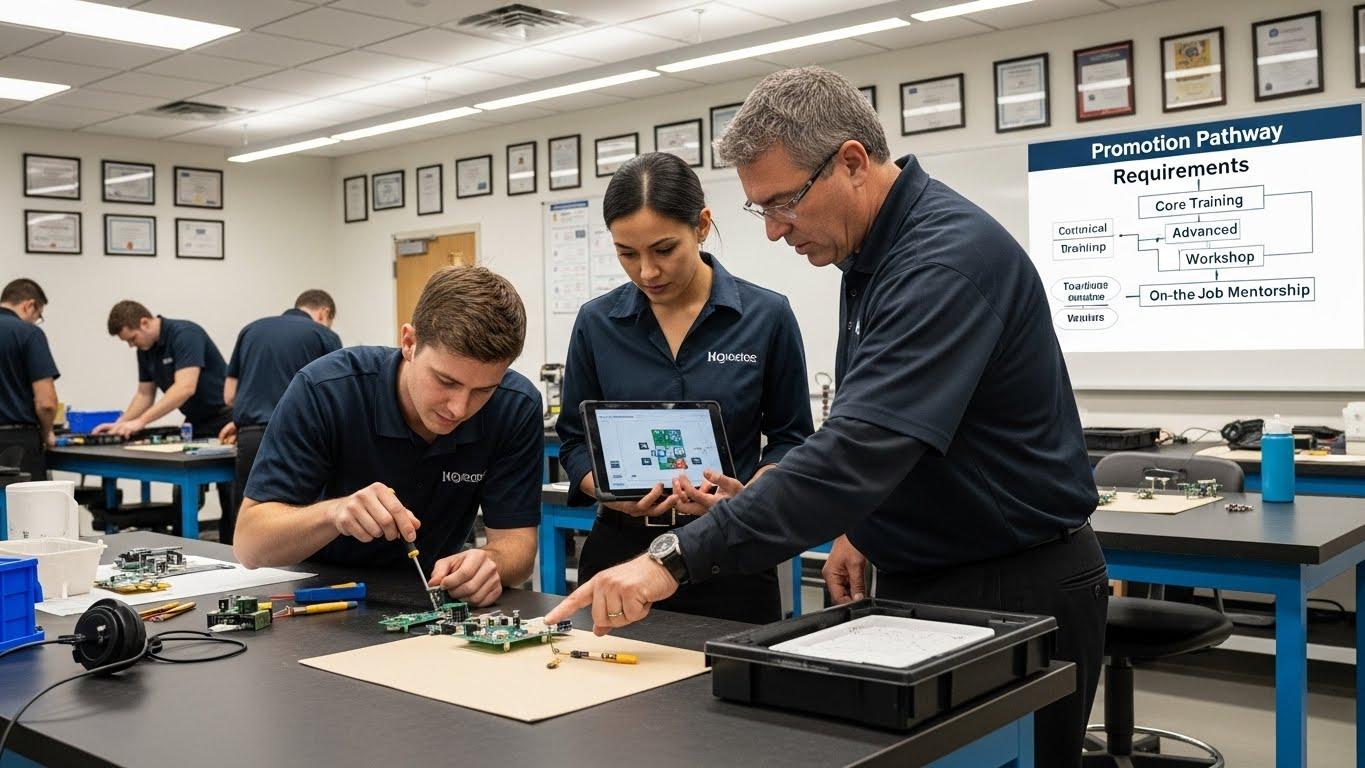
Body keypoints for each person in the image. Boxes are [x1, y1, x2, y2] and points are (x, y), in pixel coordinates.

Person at [546, 66, 1107, 768]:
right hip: (926, 571)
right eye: (760, 210)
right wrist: (862, 526)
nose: (775, 231)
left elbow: (856, 447)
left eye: (782, 203)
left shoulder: (943, 260)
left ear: (849, 162)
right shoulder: (868, 256)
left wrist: (673, 558)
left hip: (1010, 583)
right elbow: (882, 430)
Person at [556, 152, 813, 624]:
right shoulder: (597, 323)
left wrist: (748, 493)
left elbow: (791, 438)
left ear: (702, 225)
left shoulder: (766, 317)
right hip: (621, 555)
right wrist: (610, 491)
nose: (647, 272)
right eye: (627, 254)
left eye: (664, 249)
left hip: (730, 553)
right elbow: (574, 440)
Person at [233, 266, 542, 608]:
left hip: (434, 599)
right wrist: (334, 514)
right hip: (321, 597)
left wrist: (492, 562)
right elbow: (250, 544)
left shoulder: (515, 406)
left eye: (483, 390)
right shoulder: (326, 390)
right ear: (409, 342)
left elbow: (519, 547)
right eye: (446, 381)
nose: (458, 408)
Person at [216, 290, 342, 545]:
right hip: (301, 438)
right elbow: (338, 393)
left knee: (247, 519)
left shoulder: (251, 330)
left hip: (250, 435)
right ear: (324, 313)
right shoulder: (324, 335)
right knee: (297, 521)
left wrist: (244, 418)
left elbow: (230, 395)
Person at [97, 300, 233, 527]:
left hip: (225, 420)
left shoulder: (185, 334)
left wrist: (140, 422)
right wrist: (120, 424)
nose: (132, 345)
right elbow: (144, 394)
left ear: (144, 323)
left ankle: (233, 553)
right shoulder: (145, 350)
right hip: (196, 423)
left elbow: (185, 387)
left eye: (132, 339)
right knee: (183, 497)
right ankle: (186, 549)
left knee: (230, 496)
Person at [0, 279, 58, 480]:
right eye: (38, 316)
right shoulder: (28, 333)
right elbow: (47, 403)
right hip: (17, 445)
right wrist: (47, 432)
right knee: (25, 510)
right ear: (29, 305)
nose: (36, 321)